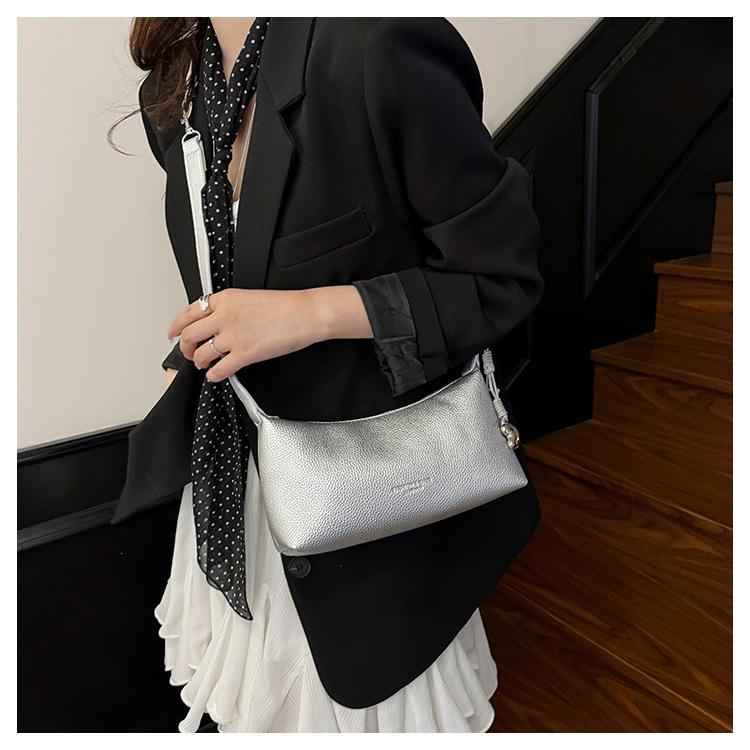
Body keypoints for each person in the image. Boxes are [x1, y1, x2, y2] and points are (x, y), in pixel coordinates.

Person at [112, 16, 545, 733]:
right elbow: (231, 260)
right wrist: (195, 350)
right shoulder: (174, 79)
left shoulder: (381, 41)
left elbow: (498, 277)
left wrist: (309, 314)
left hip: (368, 500)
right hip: (235, 482)